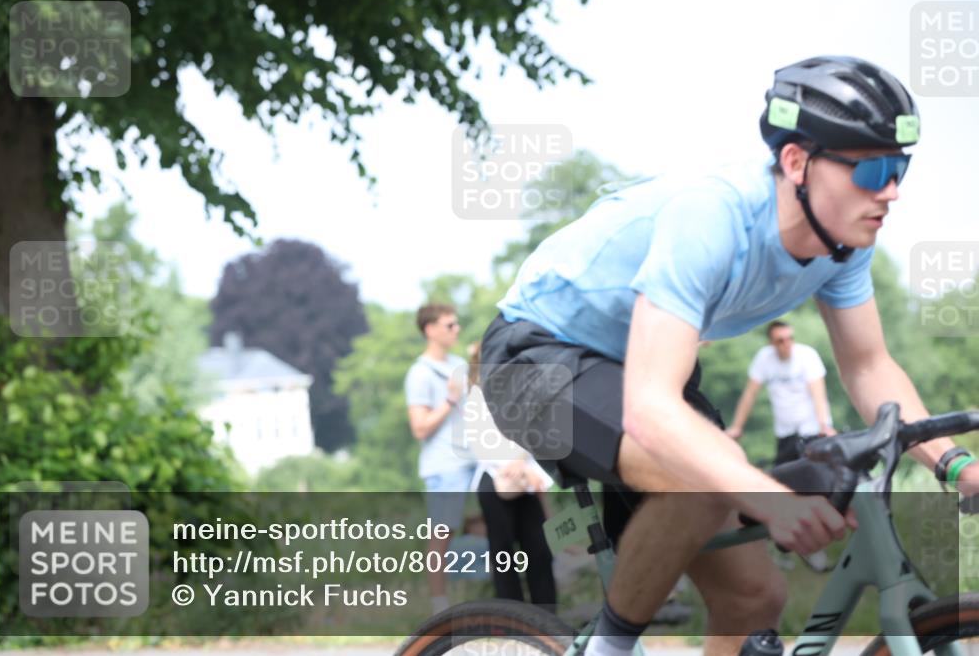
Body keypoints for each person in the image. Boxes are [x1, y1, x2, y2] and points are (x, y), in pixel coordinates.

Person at [478, 56, 979, 656]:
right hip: (537, 357)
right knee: (707, 474)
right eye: (872, 169)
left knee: (754, 598)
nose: (892, 191)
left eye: (901, 167)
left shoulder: (842, 243)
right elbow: (649, 411)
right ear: (797, 162)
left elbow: (869, 366)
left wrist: (954, 464)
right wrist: (766, 499)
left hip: (641, 369)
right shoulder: (711, 217)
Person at [462, 342, 557, 612]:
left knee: (539, 551)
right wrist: (515, 463)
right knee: (504, 556)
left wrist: (523, 464)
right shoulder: (476, 398)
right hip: (496, 481)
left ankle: (547, 623)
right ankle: (513, 621)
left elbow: (534, 431)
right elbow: (482, 444)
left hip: (526, 482)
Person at [404, 303, 476, 614]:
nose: (456, 330)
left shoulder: (459, 363)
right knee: (442, 534)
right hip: (444, 467)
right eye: (449, 325)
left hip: (474, 461)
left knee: (486, 524)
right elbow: (420, 428)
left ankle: (490, 593)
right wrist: (449, 398)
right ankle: (439, 605)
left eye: (457, 324)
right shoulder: (419, 374)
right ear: (430, 330)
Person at [726, 320, 837, 466]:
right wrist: (737, 427)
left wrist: (824, 425)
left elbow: (818, 395)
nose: (787, 344)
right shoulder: (764, 358)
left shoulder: (807, 355)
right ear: (771, 343)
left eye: (790, 338)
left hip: (813, 430)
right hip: (785, 432)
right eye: (780, 341)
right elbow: (749, 395)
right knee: (783, 477)